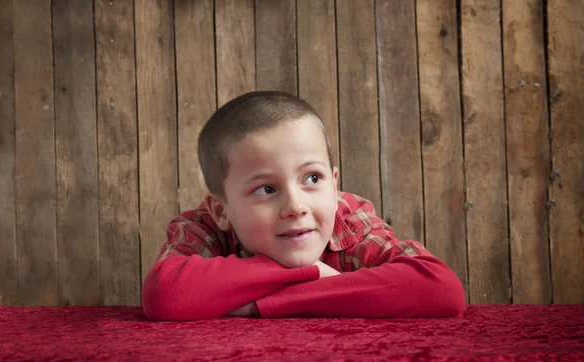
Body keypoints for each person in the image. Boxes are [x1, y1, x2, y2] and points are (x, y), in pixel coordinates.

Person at [142, 90, 465, 321]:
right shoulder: (203, 227)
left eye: (312, 178)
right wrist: (312, 274)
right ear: (221, 211)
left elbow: (440, 288)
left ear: (335, 185)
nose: (296, 207)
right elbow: (165, 294)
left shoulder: (347, 222)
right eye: (266, 189)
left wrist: (260, 304)